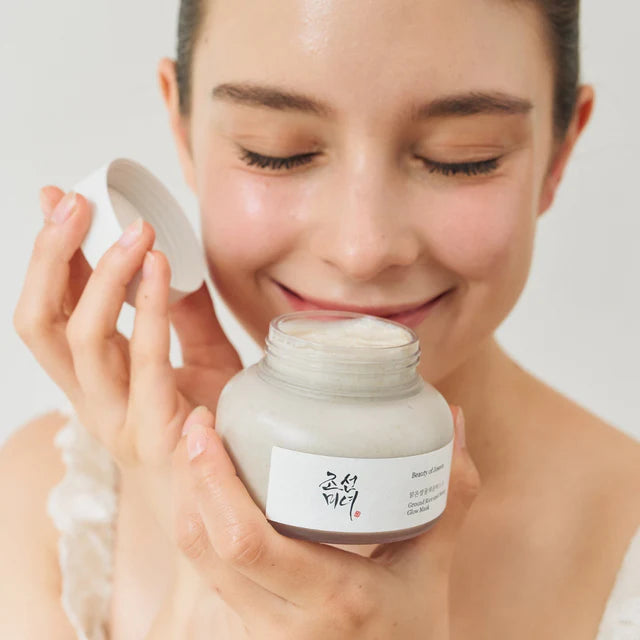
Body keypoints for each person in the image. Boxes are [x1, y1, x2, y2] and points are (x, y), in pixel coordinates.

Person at [1, 0, 639, 637]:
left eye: (461, 158)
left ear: (559, 150)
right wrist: (207, 578)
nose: (362, 249)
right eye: (274, 153)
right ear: (182, 128)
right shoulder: (47, 510)